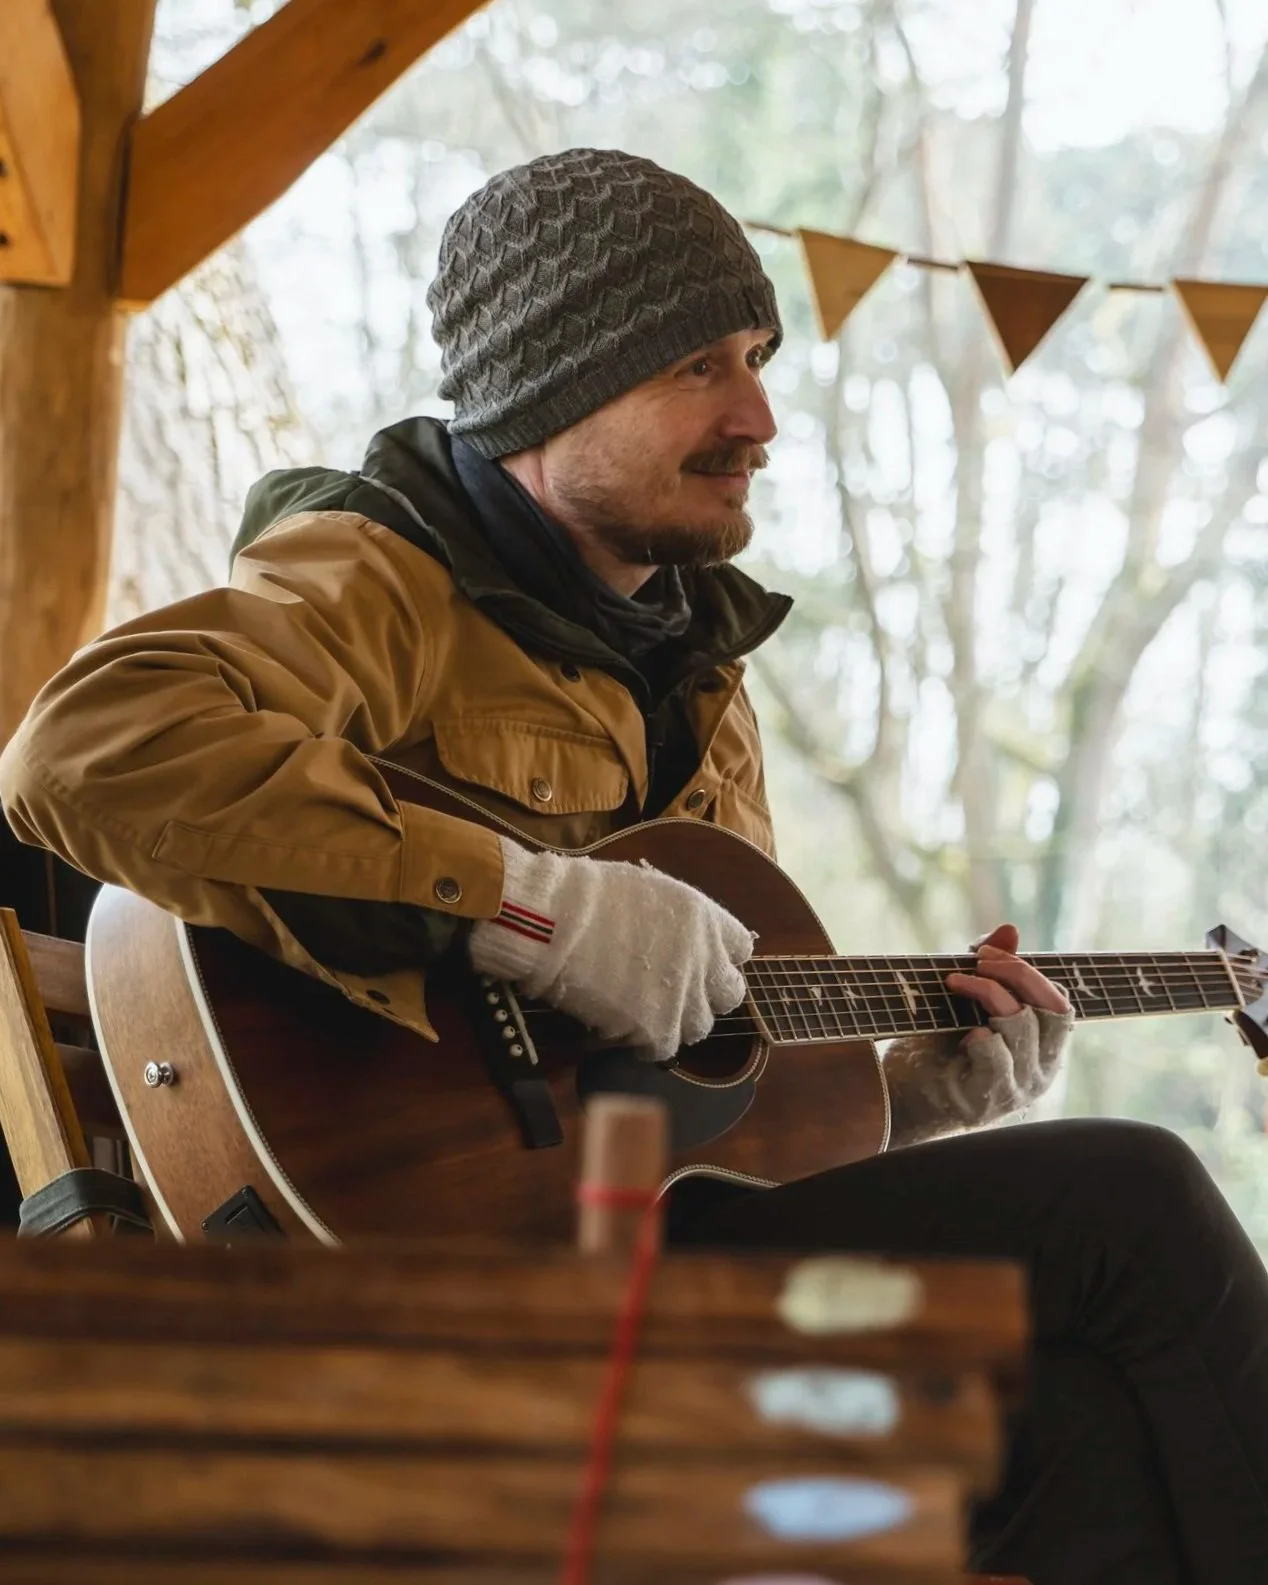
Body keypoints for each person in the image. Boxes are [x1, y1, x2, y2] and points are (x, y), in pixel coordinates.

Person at [0, 147, 1265, 1583]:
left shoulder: (705, 682)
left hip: (642, 1275)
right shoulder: (382, 578)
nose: (758, 417)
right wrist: (526, 906)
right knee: (1134, 1200)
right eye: (695, 370)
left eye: (759, 358)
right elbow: (85, 748)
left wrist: (916, 1101)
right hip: (433, 1292)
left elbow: (720, 1106)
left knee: (1087, 1428)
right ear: (549, 394)